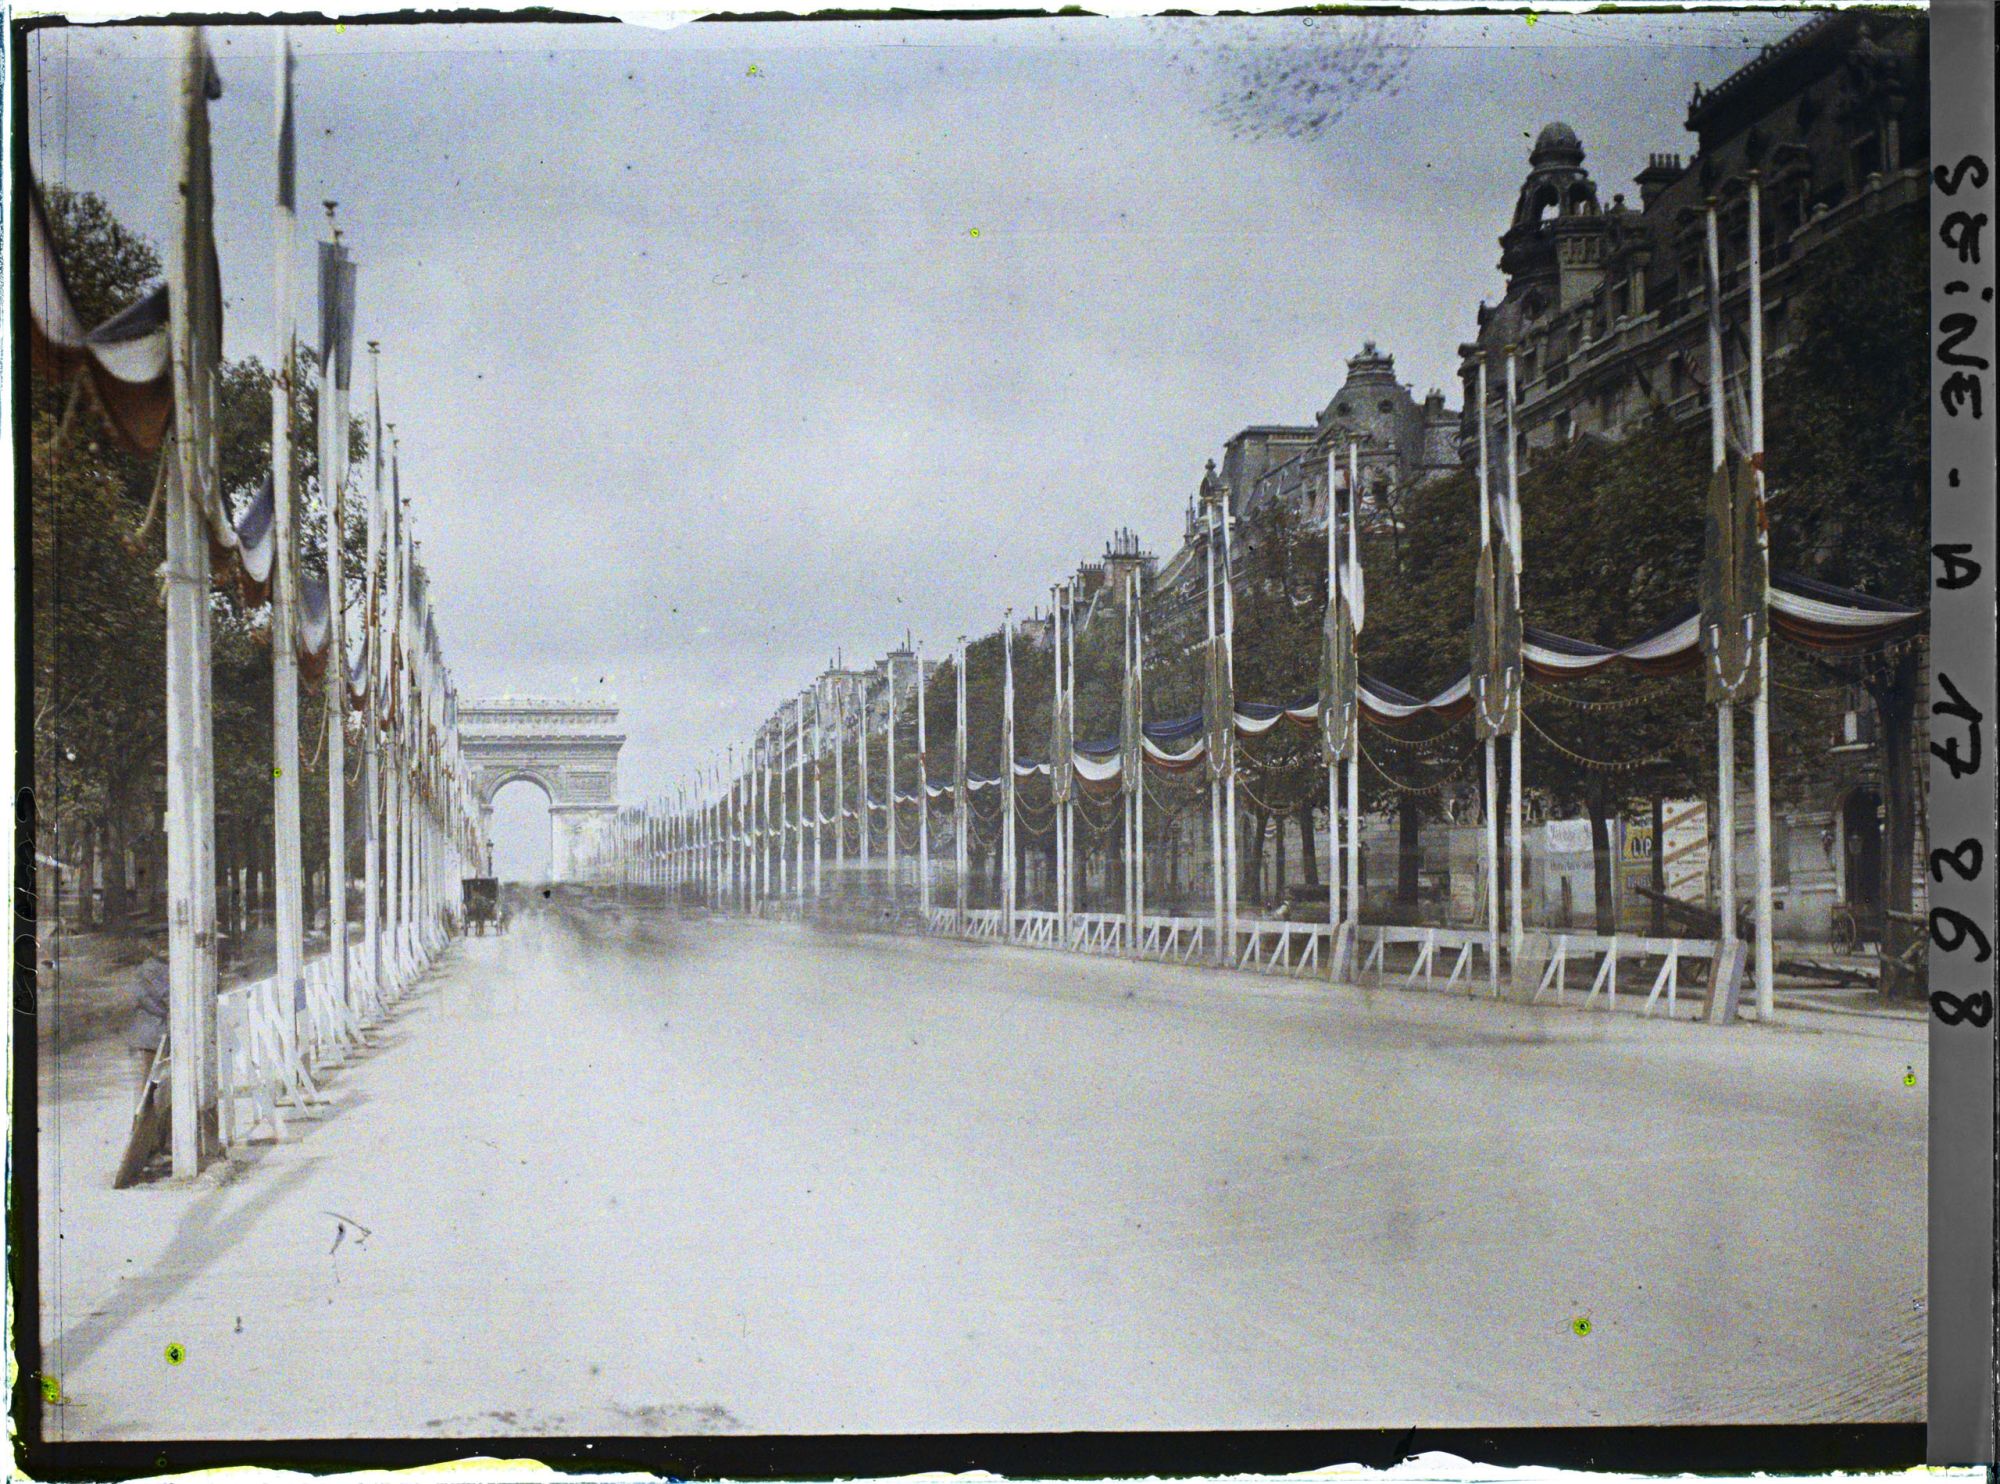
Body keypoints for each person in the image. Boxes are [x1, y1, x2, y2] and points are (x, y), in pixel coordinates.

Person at [125, 955, 170, 1104]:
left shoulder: (163, 965)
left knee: (157, 1089)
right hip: (150, 1037)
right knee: (148, 1090)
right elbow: (163, 997)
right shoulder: (149, 968)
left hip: (158, 1035)